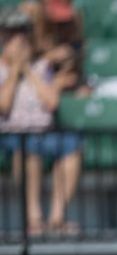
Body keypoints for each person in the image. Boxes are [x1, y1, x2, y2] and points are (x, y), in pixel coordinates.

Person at [0, 6, 83, 236]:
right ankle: (34, 218)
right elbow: (3, 105)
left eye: (22, 32)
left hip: (45, 130)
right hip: (13, 135)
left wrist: (28, 68)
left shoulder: (41, 66)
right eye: (11, 33)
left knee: (71, 145)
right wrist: (15, 69)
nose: (18, 39)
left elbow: (51, 102)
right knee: (28, 150)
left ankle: (57, 217)